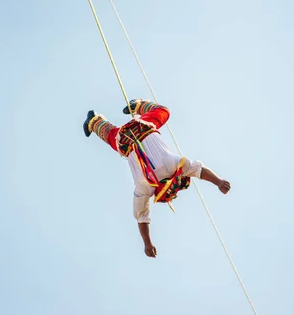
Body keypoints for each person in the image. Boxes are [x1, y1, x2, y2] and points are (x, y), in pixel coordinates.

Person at [83, 99, 231, 258]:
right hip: (126, 139)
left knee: (163, 111)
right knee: (110, 135)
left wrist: (218, 182)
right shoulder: (147, 186)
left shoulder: (175, 168)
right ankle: (94, 121)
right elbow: (142, 217)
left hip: (141, 128)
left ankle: (134, 106)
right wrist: (147, 242)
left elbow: (198, 171)